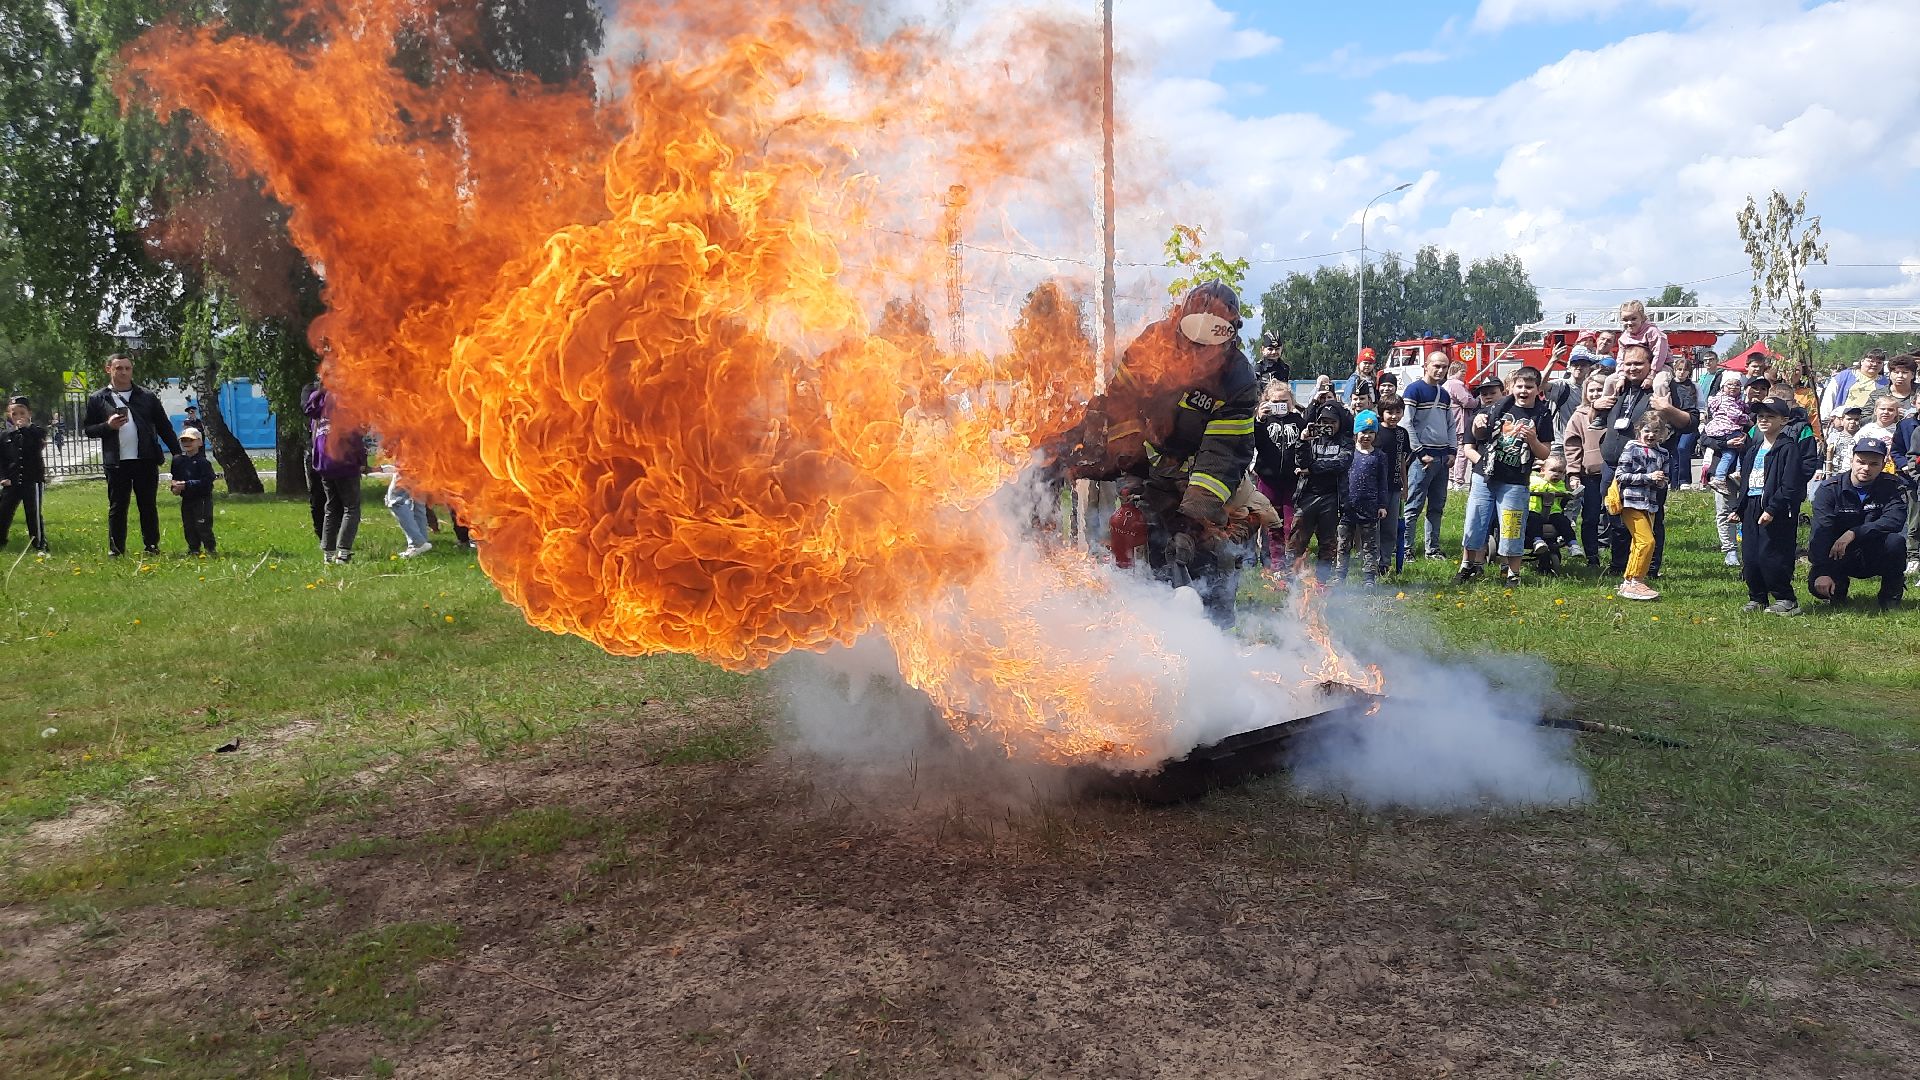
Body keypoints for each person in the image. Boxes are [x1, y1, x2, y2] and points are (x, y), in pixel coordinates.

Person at [1052, 281, 1259, 623]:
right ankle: (1156, 636)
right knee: (1149, 545)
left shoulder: (1238, 379)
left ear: (1229, 337)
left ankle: (1217, 642)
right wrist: (1131, 468)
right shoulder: (1153, 345)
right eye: (1191, 345)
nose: (1198, 356)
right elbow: (1121, 406)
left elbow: (1222, 455)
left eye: (1209, 349)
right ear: (1179, 325)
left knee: (1212, 553)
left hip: (1209, 476)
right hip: (1154, 465)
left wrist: (1194, 522)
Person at [1596, 344, 1697, 580]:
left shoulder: (1665, 387)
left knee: (1650, 516)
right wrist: (1595, 406)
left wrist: (1668, 408)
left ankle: (1649, 569)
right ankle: (1619, 564)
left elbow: (1691, 422)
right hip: (1613, 467)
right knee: (1616, 516)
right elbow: (1598, 419)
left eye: (1638, 363)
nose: (1632, 368)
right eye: (1628, 363)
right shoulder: (1619, 387)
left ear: (1651, 365)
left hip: (1648, 472)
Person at [81, 354, 181, 557]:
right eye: (119, 368)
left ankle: (151, 546)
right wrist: (107, 426)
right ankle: (116, 549)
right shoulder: (98, 398)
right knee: (118, 506)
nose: (124, 372)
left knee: (148, 505)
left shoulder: (146, 396)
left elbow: (164, 427)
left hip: (145, 459)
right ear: (108, 369)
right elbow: (89, 429)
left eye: (127, 368)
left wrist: (178, 453)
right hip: (116, 462)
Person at [1807, 437, 1906, 611]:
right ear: (1852, 461)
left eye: (1874, 464)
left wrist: (1854, 533)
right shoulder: (1830, 488)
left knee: (1896, 542)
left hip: (1875, 551)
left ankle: (1890, 596)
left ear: (1883, 465)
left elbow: (1894, 520)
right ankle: (1838, 589)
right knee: (1817, 587)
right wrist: (1822, 571)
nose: (1866, 468)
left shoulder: (1892, 486)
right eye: (1861, 462)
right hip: (1839, 553)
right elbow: (1821, 531)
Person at [1477, 365, 1554, 586]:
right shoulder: (1501, 405)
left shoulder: (1542, 414)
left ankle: (1513, 573)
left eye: (1529, 387)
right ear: (1511, 387)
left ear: (1537, 389)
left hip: (1516, 479)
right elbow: (1478, 435)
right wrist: (1478, 424)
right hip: (1489, 474)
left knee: (1512, 527)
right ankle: (1473, 566)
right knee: (1478, 524)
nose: (1523, 390)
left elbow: (1545, 453)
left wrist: (1533, 441)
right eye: (1519, 386)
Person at [1731, 398, 1807, 616]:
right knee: (1751, 555)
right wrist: (1739, 508)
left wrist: (1773, 509)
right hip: (1753, 506)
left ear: (1784, 420)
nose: (1764, 420)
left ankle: (1785, 598)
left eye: (1770, 416)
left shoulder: (1787, 448)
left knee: (1772, 554)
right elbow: (1746, 481)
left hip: (1776, 509)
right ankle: (1757, 596)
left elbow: (1790, 484)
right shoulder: (1754, 448)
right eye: (1760, 416)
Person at [305, 382, 369, 564]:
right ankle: (343, 553)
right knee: (351, 507)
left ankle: (328, 554)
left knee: (331, 507)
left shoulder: (319, 401)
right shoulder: (345, 401)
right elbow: (353, 434)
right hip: (344, 461)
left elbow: (314, 432)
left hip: (324, 463)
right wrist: (361, 461)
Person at [1454, 374, 1507, 583]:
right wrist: (1486, 467)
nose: (1488, 397)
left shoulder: (1512, 415)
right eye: (1484, 394)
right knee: (1476, 521)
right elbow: (1468, 448)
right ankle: (1470, 565)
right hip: (1482, 475)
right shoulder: (1476, 416)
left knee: (1505, 523)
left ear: (1502, 392)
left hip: (1510, 477)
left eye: (1492, 392)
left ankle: (1506, 566)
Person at [1401, 351, 1455, 560]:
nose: (1440, 370)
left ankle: (1432, 548)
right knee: (1414, 505)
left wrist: (1452, 450)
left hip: (1442, 457)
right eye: (1437, 366)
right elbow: (1407, 422)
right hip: (1422, 458)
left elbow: (1450, 423)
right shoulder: (1414, 390)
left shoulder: (1445, 394)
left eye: (1444, 367)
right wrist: (1420, 452)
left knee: (1437, 506)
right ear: (1426, 365)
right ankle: (1406, 548)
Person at [1289, 408, 1351, 578]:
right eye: (1324, 422)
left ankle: (1322, 583)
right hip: (1307, 495)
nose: (1328, 426)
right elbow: (1301, 462)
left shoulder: (1346, 442)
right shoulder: (1311, 439)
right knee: (1296, 540)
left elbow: (1341, 464)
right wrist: (1302, 440)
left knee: (1327, 544)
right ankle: (1290, 580)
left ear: (1339, 423)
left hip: (1332, 497)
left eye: (1332, 422)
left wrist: (1312, 469)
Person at [1613, 415, 1670, 601]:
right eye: (1647, 430)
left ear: (1662, 434)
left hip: (1651, 504)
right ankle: (1637, 580)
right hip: (1631, 502)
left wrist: (1661, 481)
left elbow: (1664, 479)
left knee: (1638, 543)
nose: (1651, 435)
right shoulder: (1631, 448)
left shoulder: (1663, 453)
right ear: (1639, 431)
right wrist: (1648, 478)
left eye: (1656, 431)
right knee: (1647, 542)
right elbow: (1621, 475)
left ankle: (1629, 581)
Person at [1251, 380, 1303, 571]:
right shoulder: (1264, 422)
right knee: (1273, 524)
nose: (1280, 405)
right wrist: (1259, 420)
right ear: (1267, 402)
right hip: (1268, 479)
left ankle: (1293, 564)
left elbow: (1305, 445)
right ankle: (1276, 564)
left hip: (1291, 480)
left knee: (1291, 524)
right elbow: (1254, 442)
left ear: (1292, 401)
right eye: (1275, 401)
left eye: (1285, 401)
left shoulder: (1298, 420)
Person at [1337, 410, 1388, 586]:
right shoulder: (1348, 453)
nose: (1366, 436)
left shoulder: (1379, 457)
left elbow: (1383, 483)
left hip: (1370, 506)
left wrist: (1382, 505)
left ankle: (1369, 577)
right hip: (1347, 506)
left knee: (1369, 545)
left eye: (1371, 432)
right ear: (1355, 432)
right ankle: (1340, 575)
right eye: (1363, 432)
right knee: (1343, 544)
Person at [1563, 374, 1608, 566]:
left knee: (1613, 515)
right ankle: (1592, 557)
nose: (1595, 394)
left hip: (1614, 473)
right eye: (1592, 390)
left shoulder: (1616, 412)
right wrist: (1573, 473)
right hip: (1590, 475)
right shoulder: (1579, 415)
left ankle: (1614, 553)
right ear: (1585, 392)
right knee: (1590, 516)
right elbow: (1572, 446)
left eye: (1600, 390)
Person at [0, 396, 49, 552]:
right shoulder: (5, 435)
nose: (18, 417)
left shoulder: (36, 431)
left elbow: (36, 445)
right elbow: (1, 460)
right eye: (14, 414)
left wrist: (26, 429)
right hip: (11, 481)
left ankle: (39, 544)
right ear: (9, 415)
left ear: (29, 413)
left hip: (32, 480)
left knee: (33, 513)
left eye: (22, 413)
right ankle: (1, 540)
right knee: (4, 511)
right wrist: (3, 478)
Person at [1374, 394, 1410, 574]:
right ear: (1381, 413)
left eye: (1398, 412)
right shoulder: (1375, 432)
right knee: (1375, 526)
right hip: (1376, 487)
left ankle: (1385, 563)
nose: (1394, 416)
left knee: (1390, 527)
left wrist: (1405, 485)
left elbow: (1402, 460)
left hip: (1395, 486)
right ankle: (1372, 560)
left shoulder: (1402, 434)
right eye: (1389, 412)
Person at [169, 428, 218, 556]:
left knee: (202, 525)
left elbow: (207, 483)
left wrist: (187, 484)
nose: (187, 443)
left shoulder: (203, 462)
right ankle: (193, 548)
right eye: (184, 440)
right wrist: (175, 488)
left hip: (202, 499)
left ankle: (210, 548)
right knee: (189, 525)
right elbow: (175, 478)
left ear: (199, 443)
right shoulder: (178, 460)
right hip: (187, 499)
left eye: (191, 440)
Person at [1701, 375, 1752, 494]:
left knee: (1729, 454)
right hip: (1725, 429)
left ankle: (1722, 476)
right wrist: (1748, 419)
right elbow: (1735, 415)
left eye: (1737, 385)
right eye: (1729, 384)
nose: (1733, 387)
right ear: (1722, 387)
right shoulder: (1725, 399)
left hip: (1725, 430)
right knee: (1739, 446)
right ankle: (1734, 473)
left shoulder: (1736, 400)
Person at [1525, 455, 1575, 573]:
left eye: (1560, 472)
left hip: (1552, 513)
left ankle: (1572, 543)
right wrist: (1545, 487)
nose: (1557, 474)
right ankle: (1537, 540)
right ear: (1542, 471)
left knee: (1564, 521)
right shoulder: (1533, 479)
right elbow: (1529, 487)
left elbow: (1562, 492)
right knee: (1533, 520)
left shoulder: (1560, 485)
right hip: (1534, 511)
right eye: (1553, 470)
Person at [1820, 350, 1888, 420]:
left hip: (1870, 423)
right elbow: (1829, 398)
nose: (1875, 364)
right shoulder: (1844, 376)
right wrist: (1825, 420)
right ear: (1862, 361)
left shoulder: (1885, 383)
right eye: (1871, 361)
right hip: (1843, 422)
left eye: (1879, 362)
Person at [1617, 300, 1671, 372]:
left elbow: (1659, 355)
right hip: (1634, 367)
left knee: (1660, 382)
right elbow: (1621, 358)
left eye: (1633, 319)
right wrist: (1621, 376)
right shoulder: (1623, 338)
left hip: (1660, 366)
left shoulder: (1652, 332)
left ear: (1642, 318)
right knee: (1610, 380)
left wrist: (1652, 374)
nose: (1629, 323)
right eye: (1625, 320)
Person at [1869, 353, 1917, 419]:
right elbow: (1864, 419)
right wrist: (1888, 414)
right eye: (1896, 372)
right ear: (1890, 375)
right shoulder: (1877, 395)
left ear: (1912, 375)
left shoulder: (1918, 392)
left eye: (1904, 372)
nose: (1900, 376)